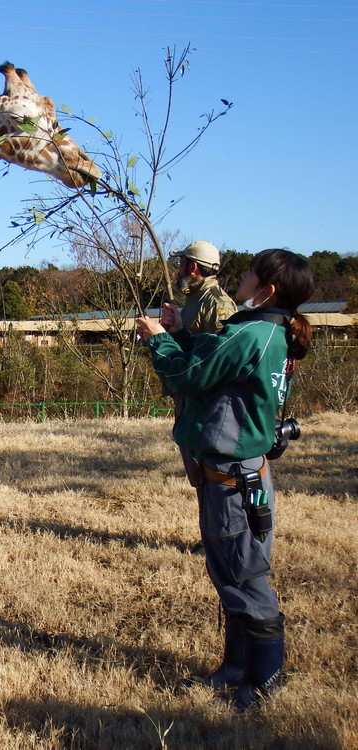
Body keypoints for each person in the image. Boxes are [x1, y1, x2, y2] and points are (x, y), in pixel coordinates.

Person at [135, 248, 315, 711]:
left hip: (235, 480)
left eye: (252, 272)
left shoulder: (252, 332)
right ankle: (236, 669)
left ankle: (264, 680)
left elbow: (189, 374)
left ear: (267, 290)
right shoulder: (266, 332)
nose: (243, 276)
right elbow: (213, 359)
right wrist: (178, 332)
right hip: (239, 475)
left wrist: (159, 339)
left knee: (245, 574)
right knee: (230, 572)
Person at [167, 241, 238, 496]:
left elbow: (225, 358)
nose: (178, 269)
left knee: (210, 472)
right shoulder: (195, 299)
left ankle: (217, 534)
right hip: (188, 396)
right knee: (197, 474)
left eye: (181, 263)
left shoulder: (217, 303)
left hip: (205, 403)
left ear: (193, 266)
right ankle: (209, 534)